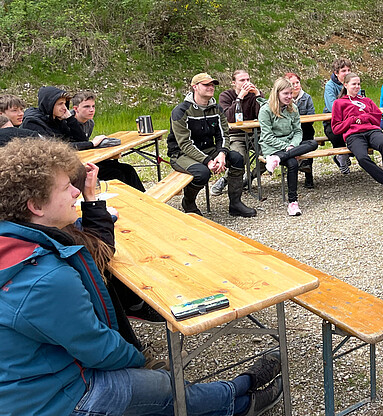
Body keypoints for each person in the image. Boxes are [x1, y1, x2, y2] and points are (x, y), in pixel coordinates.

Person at [0, 137, 283, 416]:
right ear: (36, 206)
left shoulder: (21, 242)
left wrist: (91, 198)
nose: (75, 193)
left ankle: (237, 391)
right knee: (157, 386)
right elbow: (99, 349)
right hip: (53, 398)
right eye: (66, 188)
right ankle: (240, 399)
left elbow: (98, 248)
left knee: (158, 389)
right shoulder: (44, 278)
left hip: (35, 380)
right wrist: (139, 359)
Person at [166, 72, 257, 218]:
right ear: (195, 87)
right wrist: (208, 161)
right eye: (206, 84)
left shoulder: (217, 109)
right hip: (181, 154)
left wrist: (222, 154)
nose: (211, 87)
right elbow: (185, 144)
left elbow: (223, 135)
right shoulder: (181, 111)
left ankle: (235, 203)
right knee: (202, 172)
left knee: (237, 158)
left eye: (212, 84)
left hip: (209, 149)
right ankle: (188, 203)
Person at [331, 73, 383, 204]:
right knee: (363, 158)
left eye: (358, 84)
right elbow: (336, 128)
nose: (357, 87)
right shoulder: (339, 103)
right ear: (345, 85)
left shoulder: (367, 101)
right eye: (354, 84)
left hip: (371, 131)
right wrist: (352, 120)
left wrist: (363, 118)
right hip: (353, 135)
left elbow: (377, 117)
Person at [257, 78, 318, 216]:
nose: (289, 97)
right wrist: (286, 147)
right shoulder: (265, 110)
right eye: (286, 94)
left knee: (313, 143)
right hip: (272, 146)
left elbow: (298, 131)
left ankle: (278, 158)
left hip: (289, 145)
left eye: (291, 93)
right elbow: (267, 137)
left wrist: (292, 145)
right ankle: (293, 202)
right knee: (292, 163)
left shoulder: (293, 108)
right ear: (277, 93)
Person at [70, 90, 146, 192]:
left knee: (128, 169)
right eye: (87, 107)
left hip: (90, 159)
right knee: (116, 174)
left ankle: (144, 199)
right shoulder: (66, 122)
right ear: (76, 109)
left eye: (93, 106)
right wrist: (92, 143)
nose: (91, 110)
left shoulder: (90, 123)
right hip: (76, 165)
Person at [213, 70, 263, 196]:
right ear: (233, 83)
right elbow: (228, 118)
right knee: (239, 157)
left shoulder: (255, 95)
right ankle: (225, 179)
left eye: (248, 79)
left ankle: (250, 177)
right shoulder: (226, 96)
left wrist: (257, 95)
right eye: (242, 80)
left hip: (256, 134)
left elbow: (264, 116)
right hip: (236, 135)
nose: (246, 83)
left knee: (271, 154)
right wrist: (239, 97)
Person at [323, 58, 354, 174]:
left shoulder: (353, 82)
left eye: (348, 70)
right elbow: (332, 107)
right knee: (335, 132)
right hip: (332, 120)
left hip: (351, 118)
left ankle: (347, 154)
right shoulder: (330, 86)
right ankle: (341, 156)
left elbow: (359, 102)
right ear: (336, 73)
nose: (347, 73)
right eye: (343, 71)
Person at [286, 71, 315, 189]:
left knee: (308, 132)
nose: (296, 85)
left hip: (305, 128)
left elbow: (311, 115)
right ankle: (296, 170)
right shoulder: (284, 99)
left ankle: (308, 173)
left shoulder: (307, 97)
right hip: (289, 130)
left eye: (297, 82)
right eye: (293, 84)